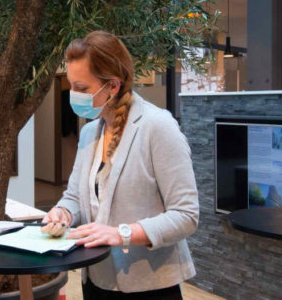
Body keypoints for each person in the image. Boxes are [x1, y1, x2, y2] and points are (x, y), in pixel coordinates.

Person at [42, 31, 199, 299]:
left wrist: (122, 234)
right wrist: (62, 212)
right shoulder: (90, 133)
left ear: (113, 86)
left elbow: (186, 215)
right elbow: (75, 197)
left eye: (82, 88)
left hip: (148, 286)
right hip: (96, 279)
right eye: (72, 87)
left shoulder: (158, 127)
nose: (74, 95)